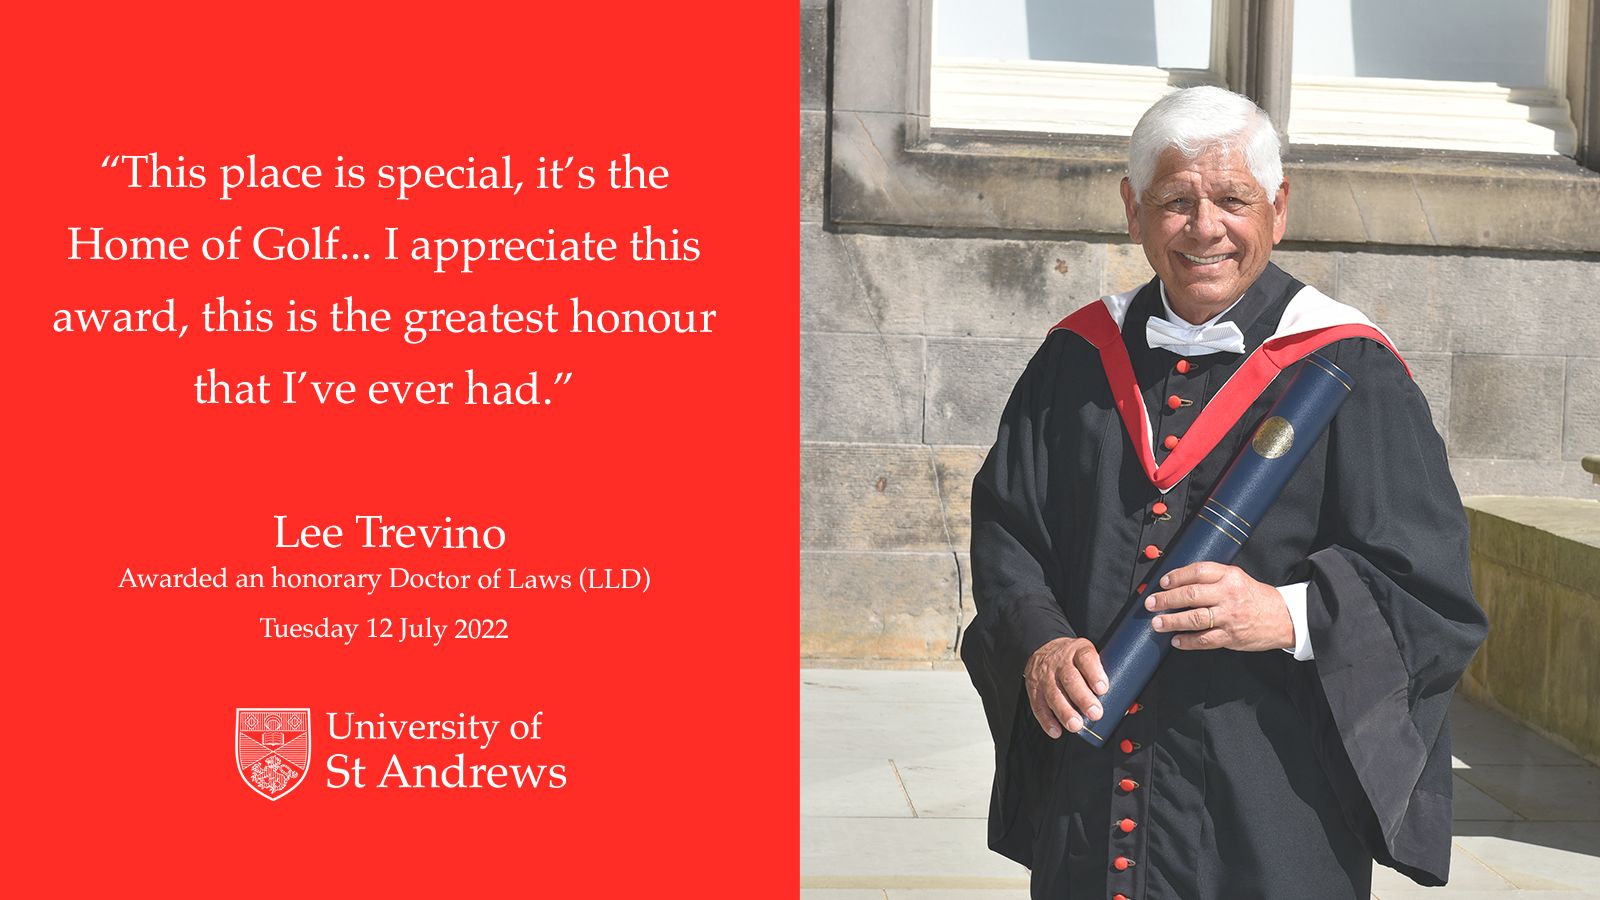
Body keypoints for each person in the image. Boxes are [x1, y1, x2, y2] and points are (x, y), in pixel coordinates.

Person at [961, 86, 1487, 900]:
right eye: (1175, 201)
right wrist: (1038, 644)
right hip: (1093, 817)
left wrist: (1286, 615)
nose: (1205, 228)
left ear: (1279, 207)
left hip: (1269, 817)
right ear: (1132, 209)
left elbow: (1433, 592)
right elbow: (1008, 532)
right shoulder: (1072, 362)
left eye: (1232, 199)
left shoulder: (1352, 372)